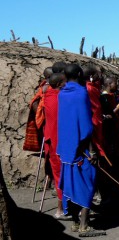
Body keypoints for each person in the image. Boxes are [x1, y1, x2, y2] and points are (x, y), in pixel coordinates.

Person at [57, 63, 103, 236]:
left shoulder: (62, 93)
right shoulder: (81, 93)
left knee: (72, 184)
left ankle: (76, 223)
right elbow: (85, 125)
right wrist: (91, 151)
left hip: (67, 148)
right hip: (81, 148)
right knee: (87, 184)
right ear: (78, 74)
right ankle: (84, 226)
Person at [43, 72, 67, 218]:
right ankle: (61, 208)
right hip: (58, 143)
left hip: (53, 141)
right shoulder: (59, 98)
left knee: (59, 174)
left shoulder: (48, 95)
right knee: (61, 175)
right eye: (65, 81)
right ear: (58, 84)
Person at [23, 67, 54, 151]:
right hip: (46, 116)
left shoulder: (45, 86)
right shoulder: (46, 87)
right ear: (48, 76)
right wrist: (42, 114)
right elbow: (34, 102)